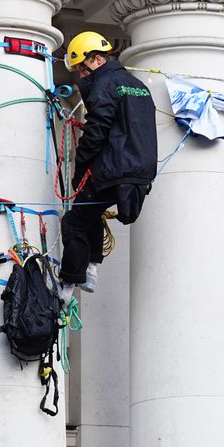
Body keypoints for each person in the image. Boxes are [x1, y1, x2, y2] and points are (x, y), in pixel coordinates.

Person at [59, 31, 157, 293]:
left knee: (74, 220)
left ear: (96, 60)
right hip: (140, 172)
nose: (81, 76)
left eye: (82, 69)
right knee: (90, 211)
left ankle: (69, 281)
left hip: (115, 168)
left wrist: (79, 169)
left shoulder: (105, 85)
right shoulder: (139, 86)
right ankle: (90, 267)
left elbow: (96, 130)